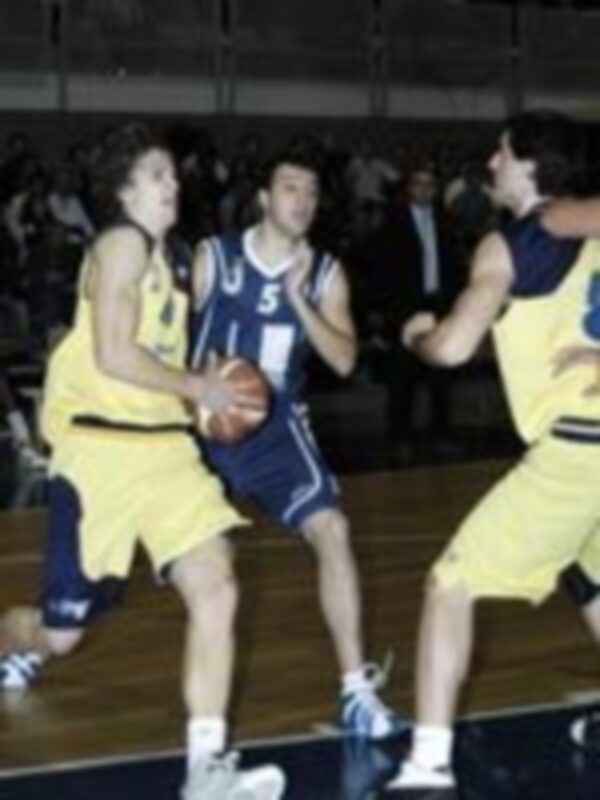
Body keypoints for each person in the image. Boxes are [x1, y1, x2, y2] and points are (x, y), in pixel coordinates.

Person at [0, 125, 285, 800]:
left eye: (173, 174)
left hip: (165, 449)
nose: (173, 184)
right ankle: (12, 639)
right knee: (61, 634)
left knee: (217, 586)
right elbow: (113, 356)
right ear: (124, 190)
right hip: (102, 453)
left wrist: (200, 388)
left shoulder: (173, 258)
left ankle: (206, 769)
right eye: (157, 175)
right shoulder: (120, 244)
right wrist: (202, 389)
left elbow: (158, 362)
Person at [386, 111, 600, 790]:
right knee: (588, 577)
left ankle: (427, 765)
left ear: (532, 166)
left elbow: (448, 349)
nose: (491, 165)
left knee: (450, 583)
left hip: (578, 453)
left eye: (502, 154)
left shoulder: (508, 245)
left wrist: (420, 334)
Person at [189, 145, 406, 740]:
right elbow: (164, 329)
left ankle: (356, 694)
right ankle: (48, 635)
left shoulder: (327, 272)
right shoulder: (215, 257)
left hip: (277, 425)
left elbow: (342, 359)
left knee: (332, 529)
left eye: (311, 192)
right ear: (263, 197)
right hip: (202, 425)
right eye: (290, 189)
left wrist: (298, 299)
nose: (302, 202)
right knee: (158, 561)